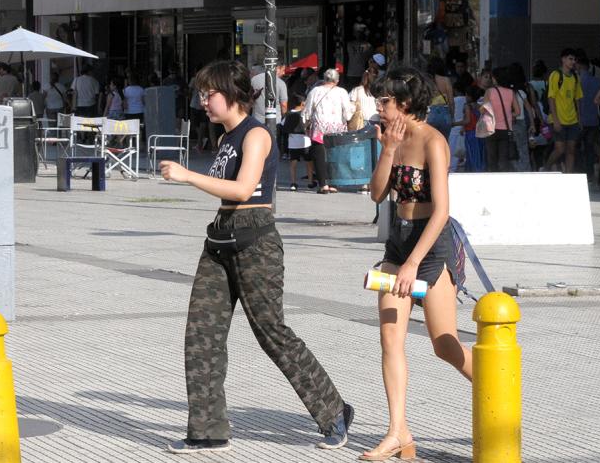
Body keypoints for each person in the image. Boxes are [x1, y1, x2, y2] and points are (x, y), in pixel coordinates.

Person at [159, 60, 353, 454]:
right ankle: (207, 430)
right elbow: (225, 191)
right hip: (220, 240)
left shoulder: (256, 134)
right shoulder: (224, 139)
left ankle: (333, 410)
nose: (203, 102)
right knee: (202, 335)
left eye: (208, 94)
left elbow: (245, 188)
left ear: (231, 93)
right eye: (201, 94)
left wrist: (187, 175)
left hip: (255, 242)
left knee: (271, 333)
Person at [364, 67, 471, 461]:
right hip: (398, 242)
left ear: (405, 104)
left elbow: (442, 211)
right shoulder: (393, 138)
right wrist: (387, 150)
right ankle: (398, 432)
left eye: (384, 101)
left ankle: (495, 394)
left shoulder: (433, 141)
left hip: (430, 247)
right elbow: (377, 194)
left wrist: (413, 264)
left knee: (445, 345)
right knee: (390, 338)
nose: (378, 107)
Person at [301, 68, 355, 194]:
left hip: (319, 127)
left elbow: (307, 110)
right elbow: (347, 113)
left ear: (324, 79)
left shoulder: (315, 91)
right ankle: (334, 184)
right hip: (337, 128)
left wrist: (305, 123)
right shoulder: (342, 92)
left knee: (319, 156)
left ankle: (323, 185)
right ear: (337, 80)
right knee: (335, 156)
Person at [544, 49, 583, 172]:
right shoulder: (556, 75)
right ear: (563, 59)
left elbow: (577, 99)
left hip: (572, 120)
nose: (573, 62)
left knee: (571, 150)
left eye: (574, 59)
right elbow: (551, 97)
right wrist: (555, 120)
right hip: (559, 119)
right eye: (570, 59)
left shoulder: (575, 77)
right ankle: (546, 167)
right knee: (560, 149)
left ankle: (569, 176)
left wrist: (579, 119)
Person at [576, 57, 600, 185]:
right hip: (594, 119)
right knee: (590, 147)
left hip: (578, 119)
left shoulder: (576, 81)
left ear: (578, 66)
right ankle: (589, 174)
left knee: (575, 147)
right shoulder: (598, 81)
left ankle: (577, 172)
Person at [426, 56, 454, 136]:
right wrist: (451, 116)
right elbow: (451, 101)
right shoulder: (446, 80)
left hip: (430, 113)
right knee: (444, 142)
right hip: (444, 114)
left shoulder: (427, 81)